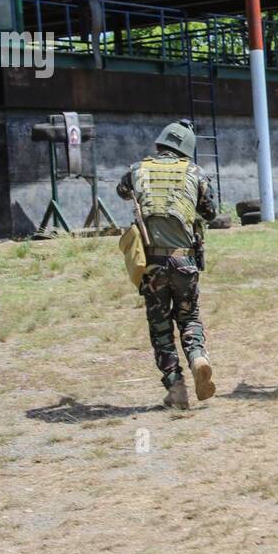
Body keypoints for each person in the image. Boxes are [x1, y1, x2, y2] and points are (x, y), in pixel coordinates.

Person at [116, 120, 219, 409]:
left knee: (160, 326)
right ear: (186, 150)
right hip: (184, 259)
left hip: (152, 264)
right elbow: (209, 213)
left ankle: (176, 387)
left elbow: (122, 191)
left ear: (160, 144)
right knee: (189, 317)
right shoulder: (195, 173)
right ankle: (198, 356)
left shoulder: (137, 170)